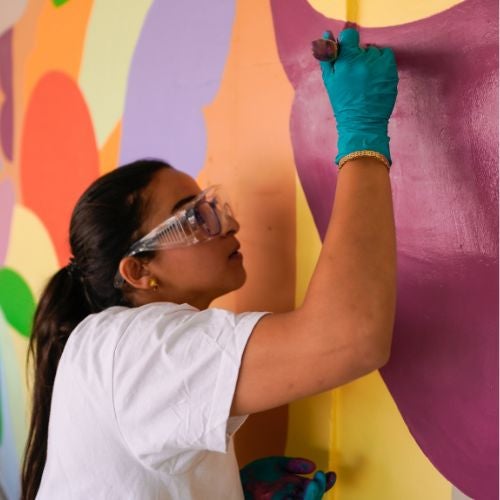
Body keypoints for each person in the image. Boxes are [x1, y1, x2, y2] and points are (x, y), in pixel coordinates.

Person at [20, 27, 398, 499]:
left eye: (212, 206)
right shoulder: (136, 346)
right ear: (138, 271)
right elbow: (350, 337)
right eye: (195, 216)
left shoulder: (117, 349)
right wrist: (362, 136)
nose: (227, 224)